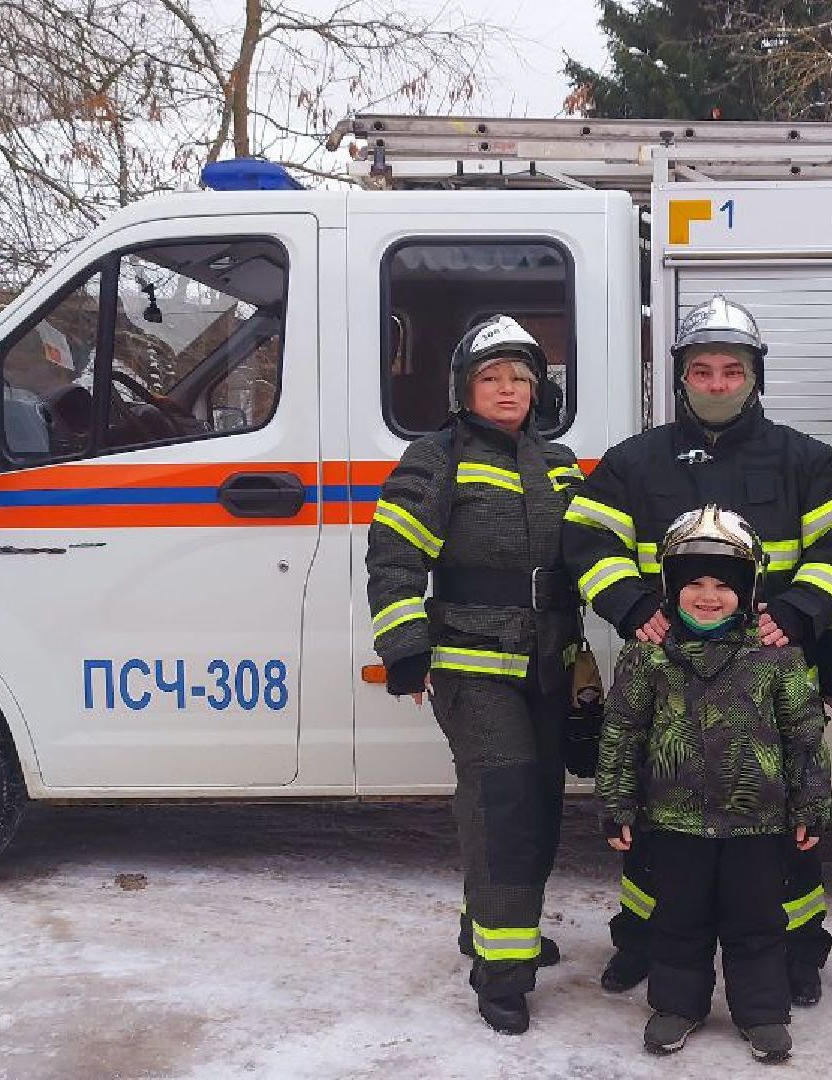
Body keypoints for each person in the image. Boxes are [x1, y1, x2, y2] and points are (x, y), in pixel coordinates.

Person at [562, 295, 832, 1006]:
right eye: (702, 370)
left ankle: (796, 953)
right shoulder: (635, 463)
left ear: (755, 376)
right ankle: (643, 942)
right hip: (665, 680)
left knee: (785, 817)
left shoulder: (805, 461)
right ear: (680, 378)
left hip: (769, 681)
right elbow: (584, 537)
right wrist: (633, 606)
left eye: (732, 369)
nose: (717, 382)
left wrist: (799, 615)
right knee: (657, 820)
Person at [365, 315, 586, 1035]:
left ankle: (490, 926)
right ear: (464, 390)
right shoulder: (434, 460)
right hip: (470, 664)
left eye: (518, 378)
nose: (506, 390)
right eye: (490, 378)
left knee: (541, 806)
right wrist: (404, 648)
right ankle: (502, 974)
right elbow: (394, 557)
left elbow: (592, 552)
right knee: (505, 805)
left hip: (547, 664)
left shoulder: (557, 462)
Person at [596, 506, 832, 1064]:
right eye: (693, 585)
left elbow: (804, 734)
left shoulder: (777, 656)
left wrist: (810, 804)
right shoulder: (647, 654)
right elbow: (622, 733)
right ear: (669, 590)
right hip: (674, 823)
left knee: (758, 922)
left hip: (758, 822)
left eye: (723, 586)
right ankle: (678, 1005)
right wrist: (617, 804)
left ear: (749, 591)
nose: (707, 596)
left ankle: (762, 1012)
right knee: (678, 919)